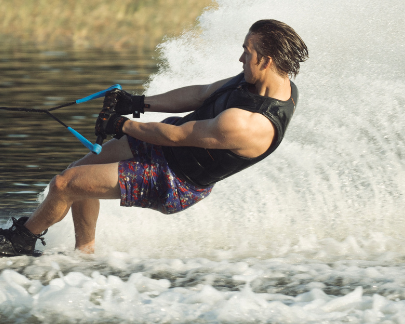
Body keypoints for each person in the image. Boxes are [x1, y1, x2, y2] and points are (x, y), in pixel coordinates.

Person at [0, 19, 308, 257]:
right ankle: (84, 256)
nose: (241, 58)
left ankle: (20, 242)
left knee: (63, 185)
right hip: (165, 148)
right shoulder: (263, 80)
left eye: (247, 51)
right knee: (75, 175)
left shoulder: (248, 124)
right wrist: (137, 103)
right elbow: (201, 95)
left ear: (266, 60)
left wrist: (121, 125)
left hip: (173, 178)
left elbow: (175, 136)